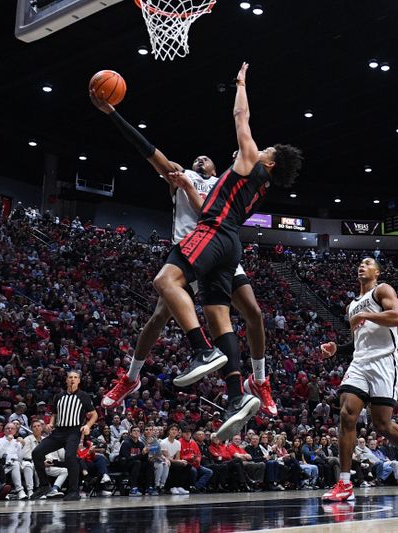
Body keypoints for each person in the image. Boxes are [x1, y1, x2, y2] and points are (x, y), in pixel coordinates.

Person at [91, 81, 278, 420]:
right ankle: (131, 378)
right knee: (160, 316)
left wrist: (192, 186)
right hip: (192, 250)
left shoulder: (227, 183)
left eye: (205, 158)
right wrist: (113, 114)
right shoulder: (180, 175)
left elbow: (211, 208)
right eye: (196, 159)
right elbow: (148, 150)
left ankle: (258, 382)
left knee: (253, 312)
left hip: (218, 245)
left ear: (216, 168)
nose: (199, 159)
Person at [151, 63, 302, 441]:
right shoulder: (261, 189)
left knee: (165, 280)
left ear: (269, 161)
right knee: (221, 317)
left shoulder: (251, 159)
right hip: (231, 244)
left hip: (213, 232)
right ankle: (236, 397)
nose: (260, 144)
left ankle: (201, 350)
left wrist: (240, 84)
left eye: (267, 148)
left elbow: (240, 115)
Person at [320, 257, 398, 502]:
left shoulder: (382, 290)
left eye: (368, 263)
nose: (362, 266)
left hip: (384, 361)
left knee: (381, 425)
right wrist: (338, 349)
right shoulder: (351, 305)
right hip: (360, 362)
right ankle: (344, 483)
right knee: (346, 414)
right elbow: (360, 340)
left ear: (377, 272)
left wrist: (367, 314)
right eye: (360, 263)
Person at [31, 370, 98, 501]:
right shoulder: (58, 396)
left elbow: (94, 414)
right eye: (70, 377)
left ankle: (74, 491)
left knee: (69, 456)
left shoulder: (83, 396)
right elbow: (55, 414)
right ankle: (44, 485)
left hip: (74, 431)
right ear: (66, 380)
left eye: (75, 377)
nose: (72, 379)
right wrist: (50, 423)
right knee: (37, 452)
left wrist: (87, 426)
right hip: (58, 431)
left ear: (79, 380)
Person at [0, 422, 33, 500]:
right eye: (8, 428)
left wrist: (22, 445)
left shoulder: (17, 442)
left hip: (17, 462)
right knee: (15, 464)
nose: (10, 430)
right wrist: (7, 441)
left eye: (12, 429)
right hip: (4, 464)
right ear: (4, 431)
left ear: (15, 431)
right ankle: (20, 490)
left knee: (28, 464)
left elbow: (20, 457)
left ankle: (30, 491)